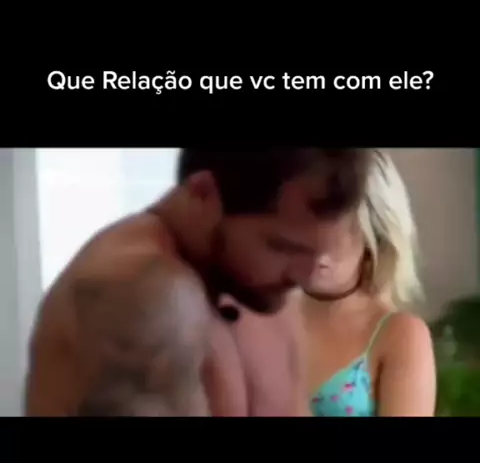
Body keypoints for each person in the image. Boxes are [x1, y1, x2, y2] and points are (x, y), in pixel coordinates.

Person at [25, 147, 370, 417]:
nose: (303, 277)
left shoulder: (262, 290)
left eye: (315, 253)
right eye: (281, 246)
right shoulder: (139, 293)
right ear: (203, 193)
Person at [303, 150, 436, 417]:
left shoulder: (400, 334)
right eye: (308, 219)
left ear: (374, 233)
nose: (318, 242)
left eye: (339, 225)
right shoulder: (258, 318)